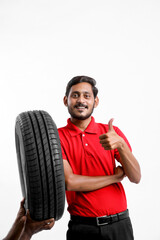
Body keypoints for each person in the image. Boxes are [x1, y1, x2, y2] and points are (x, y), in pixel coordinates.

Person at [58, 76, 141, 240]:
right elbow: (70, 182)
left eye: (86, 96)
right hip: (82, 228)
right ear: (66, 100)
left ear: (95, 102)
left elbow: (136, 177)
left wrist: (121, 145)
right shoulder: (56, 137)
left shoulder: (111, 132)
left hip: (120, 224)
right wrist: (115, 177)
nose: (81, 100)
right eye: (75, 95)